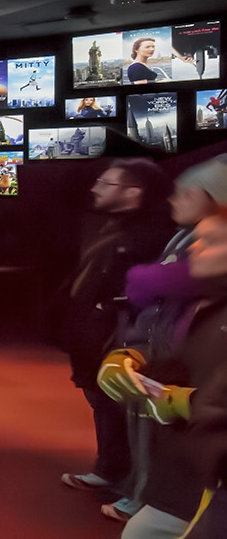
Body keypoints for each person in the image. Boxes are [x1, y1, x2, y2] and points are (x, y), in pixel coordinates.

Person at [32, 210, 227, 539]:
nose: (192, 248)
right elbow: (159, 343)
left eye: (211, 241)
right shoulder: (203, 297)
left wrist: (181, 402)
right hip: (200, 462)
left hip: (217, 468)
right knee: (147, 534)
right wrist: (128, 359)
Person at [57, 159, 174, 494]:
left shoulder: (150, 235)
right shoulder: (112, 226)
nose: (95, 188)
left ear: (133, 192)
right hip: (93, 337)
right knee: (104, 404)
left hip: (117, 340)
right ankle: (112, 470)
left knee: (123, 407)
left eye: (105, 183)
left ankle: (132, 483)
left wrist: (104, 311)